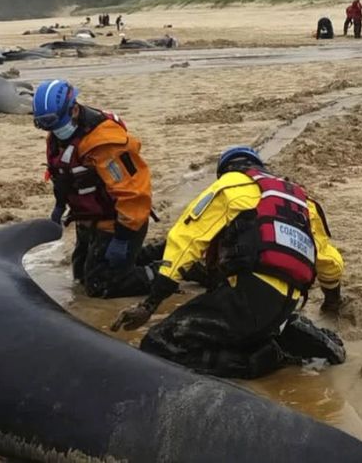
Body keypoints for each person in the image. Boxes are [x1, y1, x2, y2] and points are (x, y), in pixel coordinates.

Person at [112, 146, 346, 379]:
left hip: (247, 296)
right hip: (287, 301)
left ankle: (270, 356)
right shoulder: (302, 201)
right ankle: (282, 331)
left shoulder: (229, 185)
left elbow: (185, 241)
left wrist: (149, 305)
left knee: (159, 343)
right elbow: (330, 262)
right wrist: (331, 301)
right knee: (238, 328)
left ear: (226, 170)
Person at [34, 80, 156, 298]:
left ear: (73, 109)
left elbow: (133, 192)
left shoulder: (104, 143)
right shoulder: (57, 137)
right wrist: (59, 207)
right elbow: (62, 176)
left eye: (53, 122)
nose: (51, 129)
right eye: (44, 124)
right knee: (81, 276)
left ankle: (170, 273)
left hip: (120, 220)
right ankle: (148, 256)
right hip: (88, 219)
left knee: (102, 286)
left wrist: (123, 237)